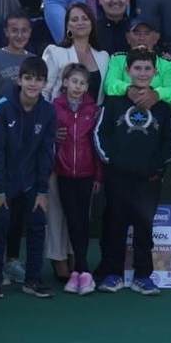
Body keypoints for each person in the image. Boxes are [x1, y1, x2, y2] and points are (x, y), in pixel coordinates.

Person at [93, 48, 171, 295]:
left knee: (144, 226)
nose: (142, 73)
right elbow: (100, 134)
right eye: (137, 68)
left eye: (147, 69)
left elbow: (170, 143)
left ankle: (143, 275)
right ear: (128, 71)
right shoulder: (113, 102)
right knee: (114, 225)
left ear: (155, 72)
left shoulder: (163, 108)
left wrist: (156, 168)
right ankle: (112, 273)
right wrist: (113, 162)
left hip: (149, 179)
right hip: (118, 177)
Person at [0, 56, 57, 300]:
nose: (33, 84)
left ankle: (33, 279)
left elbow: (47, 152)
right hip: (2, 182)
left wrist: (42, 190)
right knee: (0, 225)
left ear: (45, 82)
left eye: (38, 79)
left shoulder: (48, 111)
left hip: (31, 182)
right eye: (28, 78)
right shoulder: (4, 106)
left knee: (37, 224)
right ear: (19, 79)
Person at [51, 63, 101, 294]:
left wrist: (99, 176)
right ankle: (79, 270)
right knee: (71, 219)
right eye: (74, 82)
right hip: (62, 172)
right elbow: (47, 138)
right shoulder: (54, 107)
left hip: (87, 173)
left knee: (83, 220)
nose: (78, 87)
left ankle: (82, 270)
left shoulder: (94, 110)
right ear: (65, 83)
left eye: (82, 83)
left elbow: (97, 145)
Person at [101, 15, 171, 105]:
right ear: (128, 37)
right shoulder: (118, 59)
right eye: (136, 33)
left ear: (156, 38)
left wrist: (156, 94)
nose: (141, 38)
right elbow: (109, 84)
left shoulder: (167, 63)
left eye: (147, 33)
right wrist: (128, 89)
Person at [0, 13, 33, 108]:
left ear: (30, 32)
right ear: (6, 32)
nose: (19, 36)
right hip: (0, 118)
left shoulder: (34, 60)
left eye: (24, 31)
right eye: (14, 31)